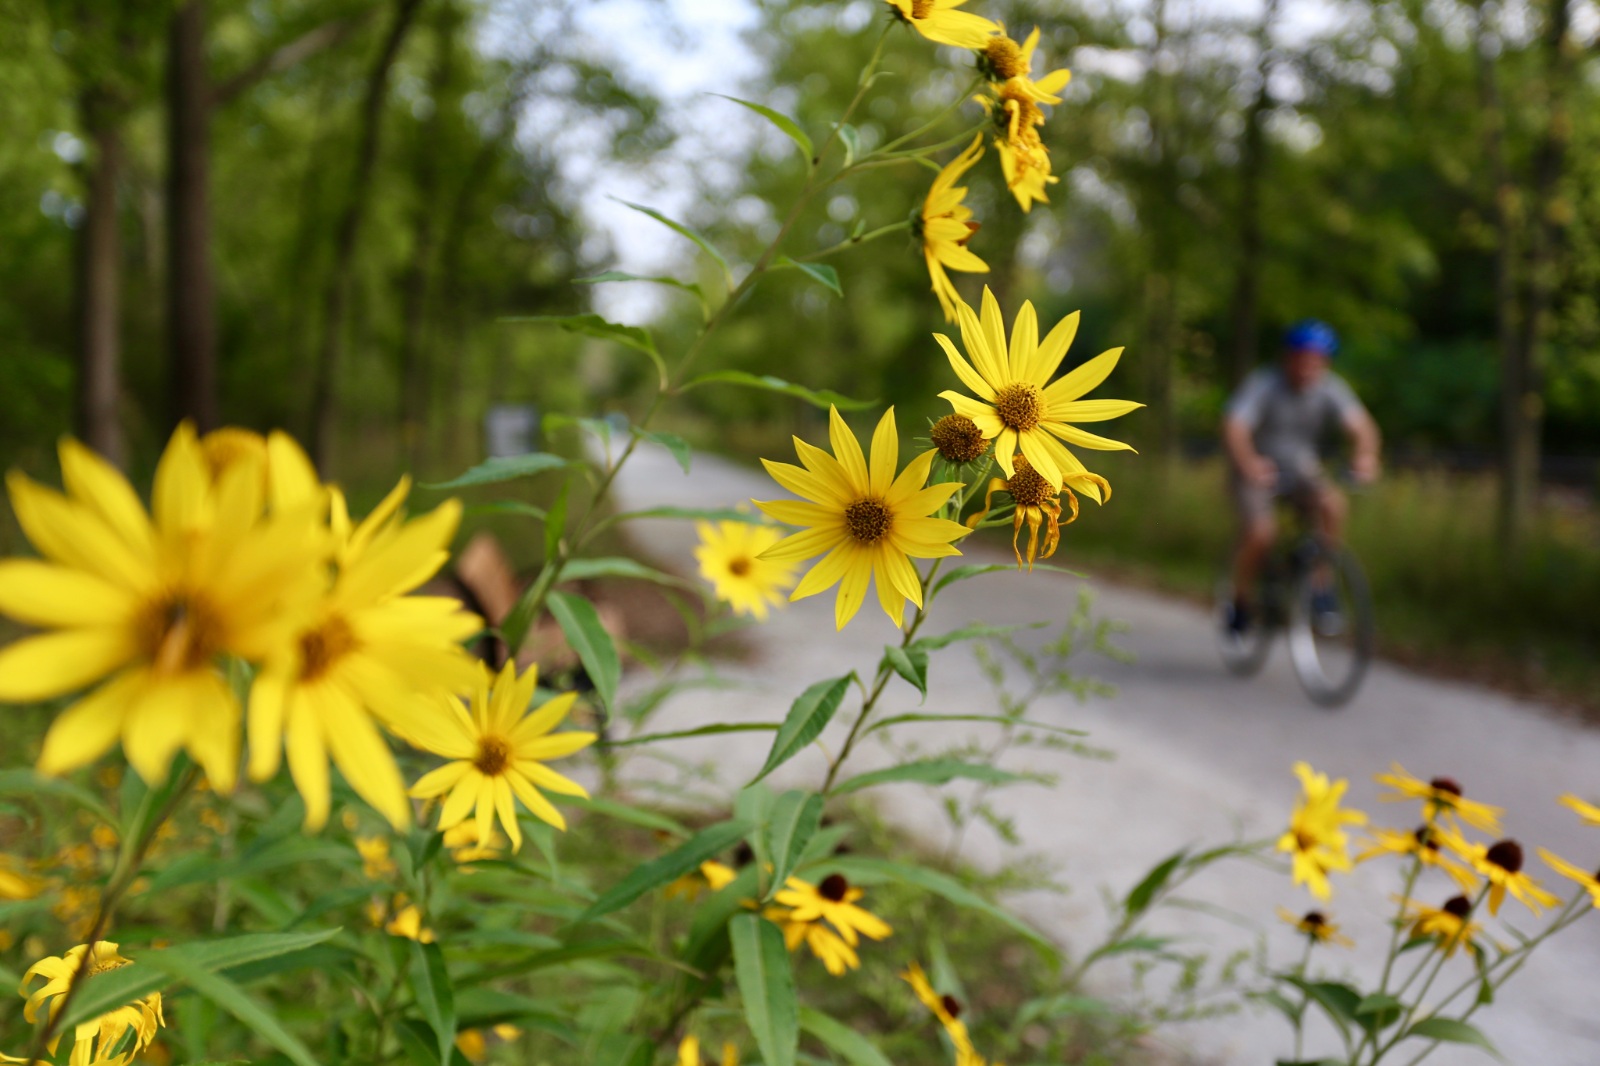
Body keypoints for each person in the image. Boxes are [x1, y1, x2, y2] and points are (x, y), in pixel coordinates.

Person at [1222, 320, 1381, 633]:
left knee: (1333, 506)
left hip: (1301, 471)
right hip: (1258, 470)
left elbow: (1363, 427)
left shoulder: (1330, 388)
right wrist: (1250, 463)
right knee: (1261, 533)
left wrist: (1365, 456)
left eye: (1317, 360)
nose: (1309, 367)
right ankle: (1240, 602)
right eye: (1303, 358)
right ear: (1288, 357)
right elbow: (1234, 426)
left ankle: (1322, 588)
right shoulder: (1264, 384)